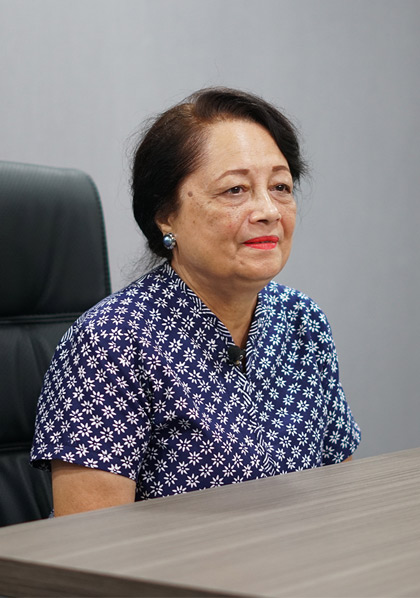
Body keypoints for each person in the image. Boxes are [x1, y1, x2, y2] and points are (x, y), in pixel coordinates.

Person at [31, 87, 361, 516]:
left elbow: (341, 497)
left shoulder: (302, 321)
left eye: (280, 186)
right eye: (235, 190)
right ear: (165, 214)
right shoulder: (111, 342)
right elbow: (90, 544)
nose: (269, 211)